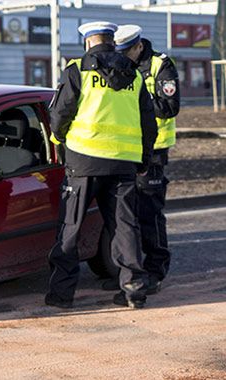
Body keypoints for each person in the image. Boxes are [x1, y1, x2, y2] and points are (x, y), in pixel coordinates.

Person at [46, 21, 158, 309]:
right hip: (123, 163)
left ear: (87, 42)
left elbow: (60, 114)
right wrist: (143, 159)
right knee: (125, 228)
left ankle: (61, 296)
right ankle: (134, 291)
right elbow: (148, 122)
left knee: (71, 228)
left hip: (83, 161)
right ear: (112, 40)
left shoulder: (78, 69)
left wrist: (59, 140)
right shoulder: (134, 73)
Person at [110, 25, 180, 294]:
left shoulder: (159, 65)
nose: (124, 56)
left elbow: (170, 107)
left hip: (154, 151)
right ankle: (130, 271)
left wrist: (139, 101)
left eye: (128, 50)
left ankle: (156, 271)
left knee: (150, 214)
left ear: (139, 46)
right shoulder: (119, 63)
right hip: (125, 149)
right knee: (127, 214)